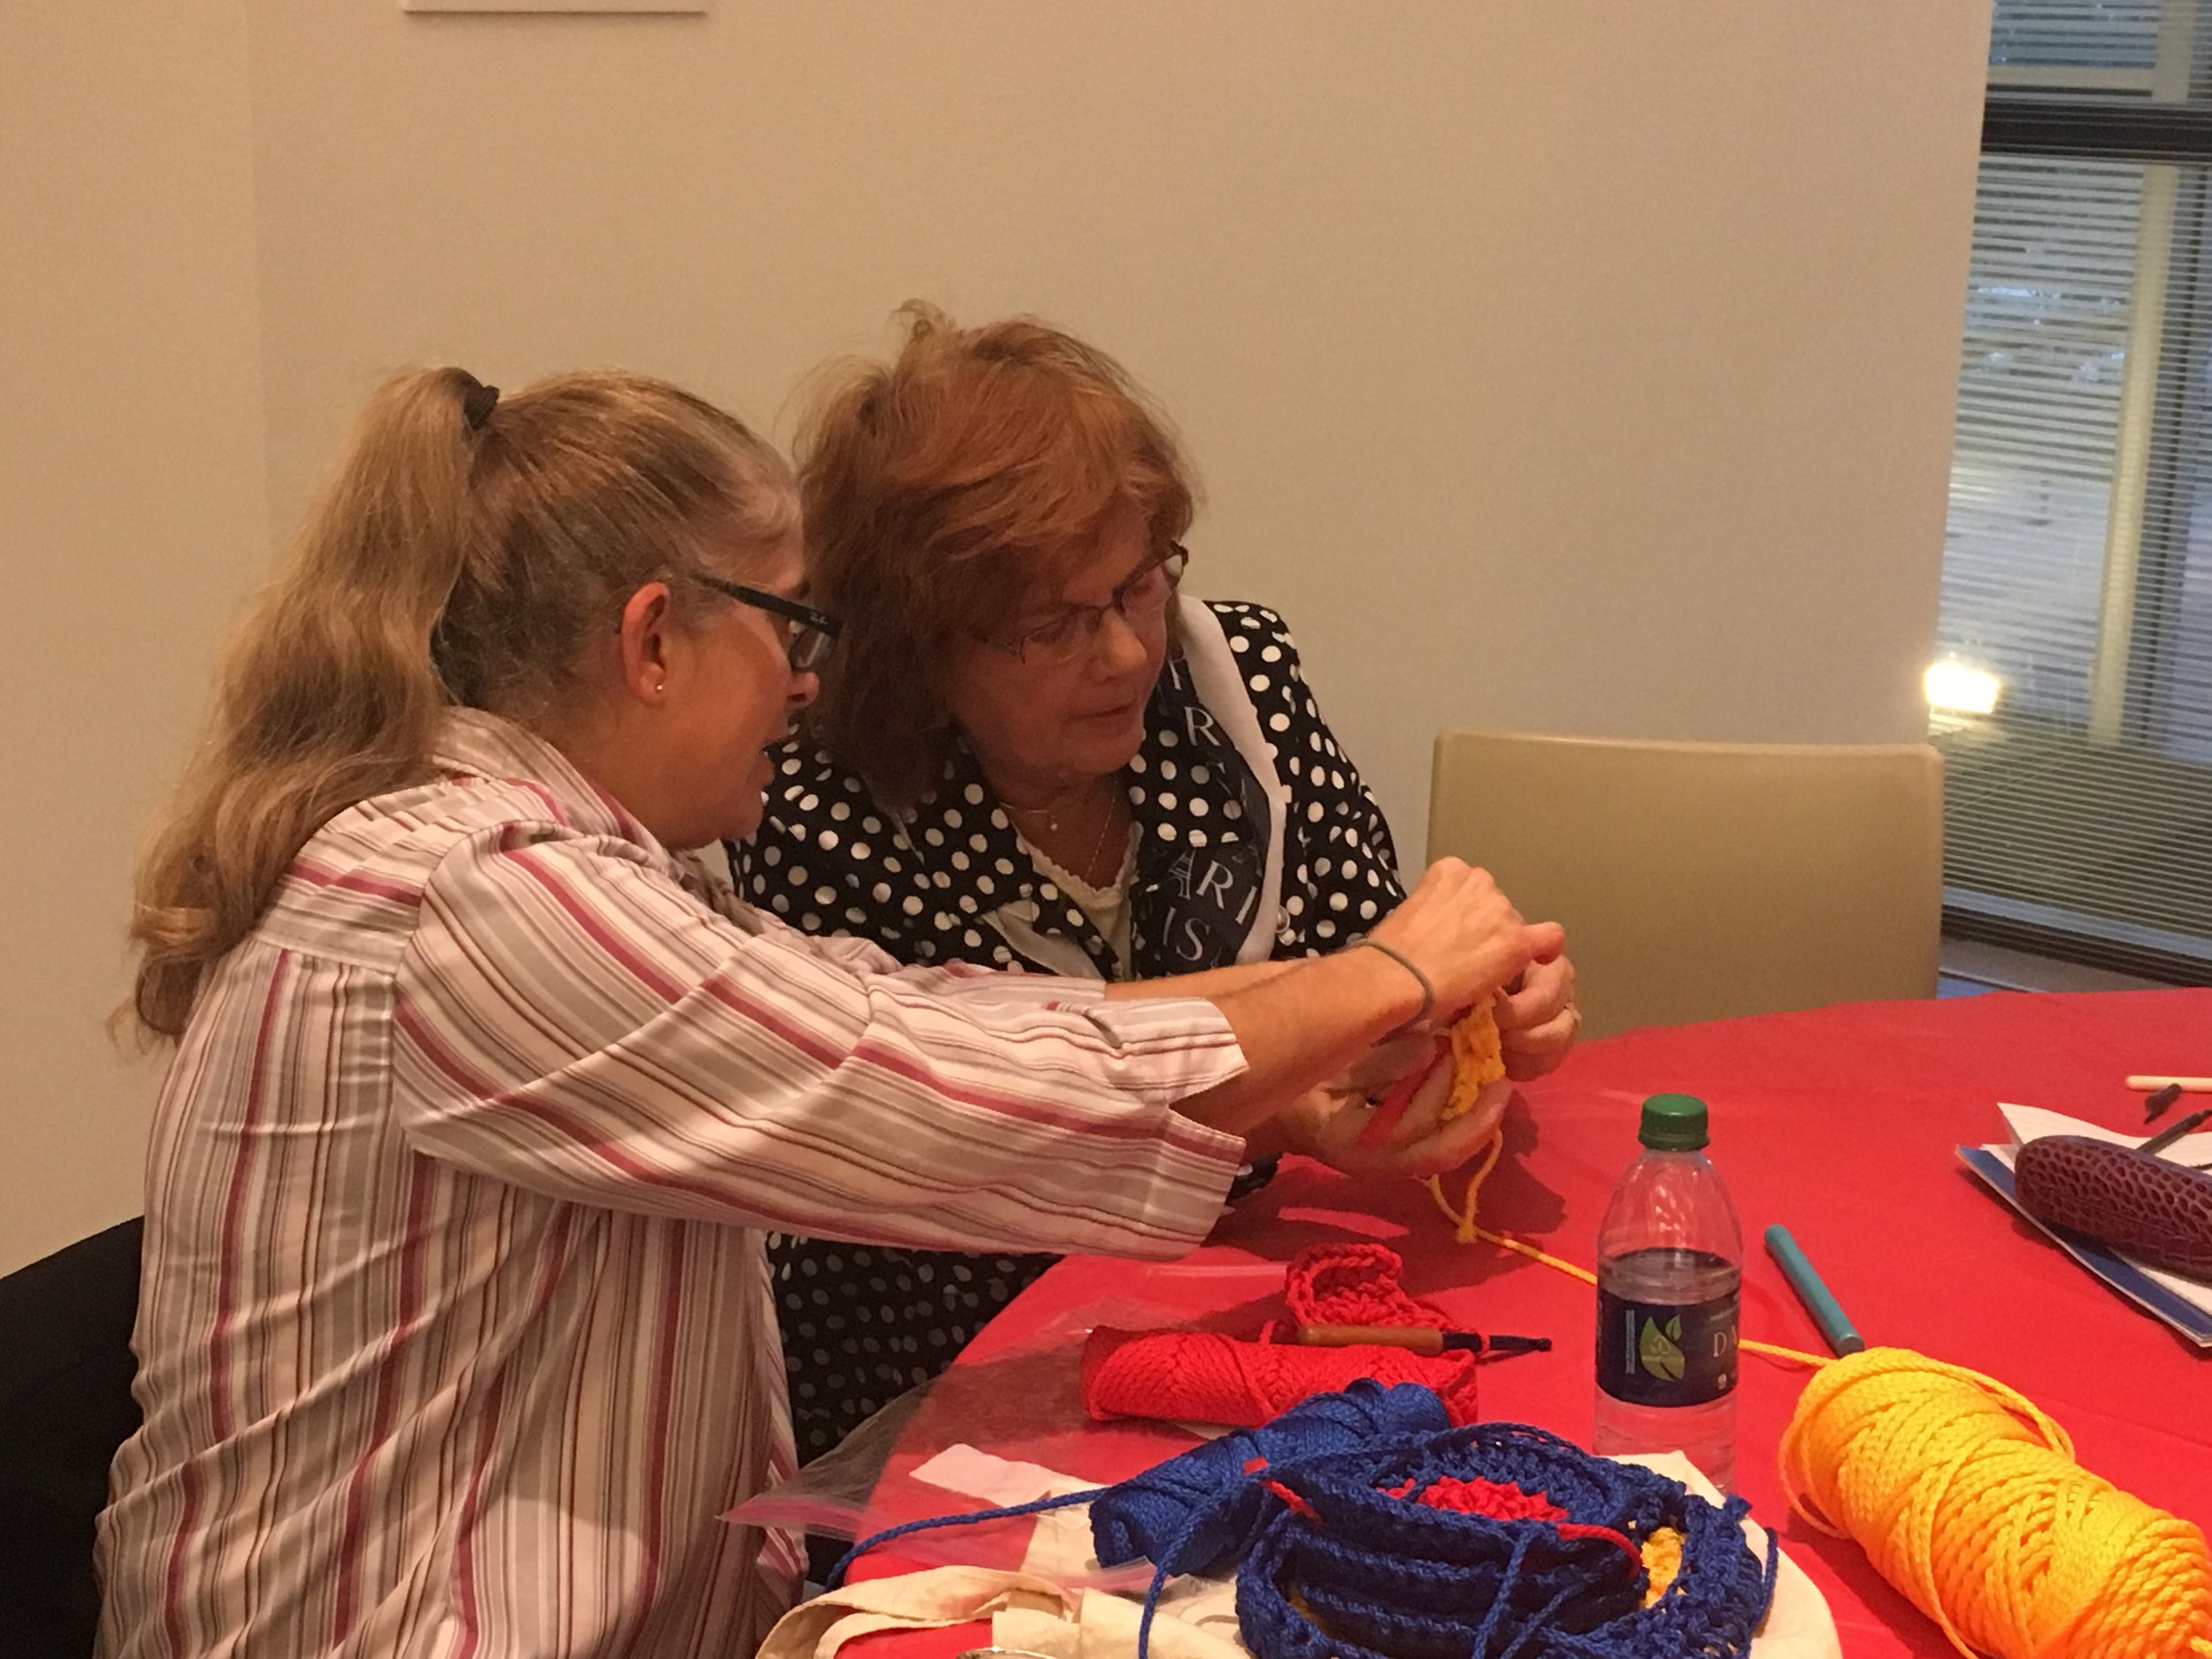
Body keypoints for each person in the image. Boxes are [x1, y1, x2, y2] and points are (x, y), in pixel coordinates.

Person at [96, 365, 1558, 1658]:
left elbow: (904, 1008)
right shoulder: (476, 904)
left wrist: (1341, 1020)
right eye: (790, 628)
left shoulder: (549, 862)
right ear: (654, 640)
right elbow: (935, 1081)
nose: (806, 682)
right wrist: (1390, 975)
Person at [732, 307, 1581, 1465]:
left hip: (1261, 1330)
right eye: (1051, 624)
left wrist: (1472, 1018)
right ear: (919, 642)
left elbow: (1370, 992)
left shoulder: (1237, 683)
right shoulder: (819, 804)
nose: (1130, 652)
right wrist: (1301, 1084)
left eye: (1137, 586)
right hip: (963, 1391)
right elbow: (961, 1156)